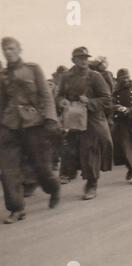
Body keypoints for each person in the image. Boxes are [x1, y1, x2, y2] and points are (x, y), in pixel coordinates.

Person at [0, 37, 61, 224]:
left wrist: (51, 118)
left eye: (11, 48)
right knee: (8, 170)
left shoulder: (33, 69)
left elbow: (46, 95)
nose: (8, 52)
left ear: (19, 49)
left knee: (41, 167)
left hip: (33, 124)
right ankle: (17, 208)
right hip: (9, 126)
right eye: (5, 49)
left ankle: (53, 188)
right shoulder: (2, 75)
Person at [57, 47, 113, 200]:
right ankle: (68, 172)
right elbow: (59, 95)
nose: (83, 60)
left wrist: (90, 102)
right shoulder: (66, 77)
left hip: (92, 119)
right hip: (72, 117)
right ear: (73, 60)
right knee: (70, 148)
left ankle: (91, 184)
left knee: (90, 151)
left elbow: (107, 99)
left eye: (85, 58)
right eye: (79, 58)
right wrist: (61, 101)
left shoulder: (95, 77)